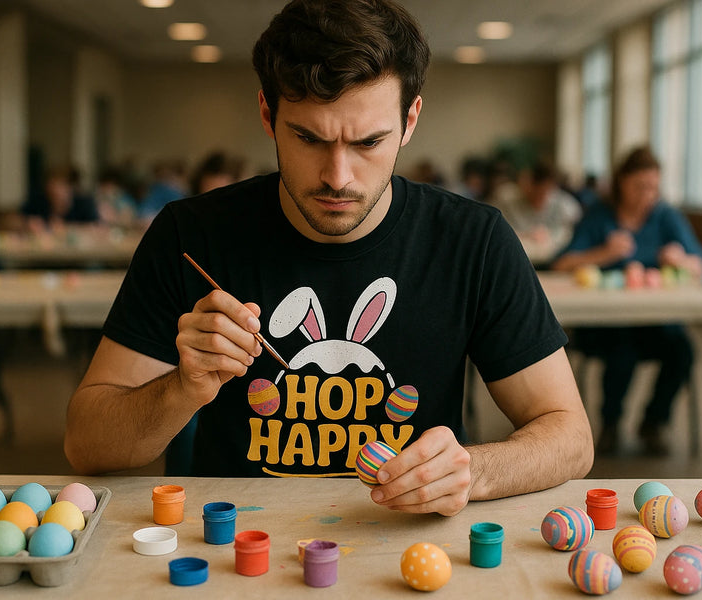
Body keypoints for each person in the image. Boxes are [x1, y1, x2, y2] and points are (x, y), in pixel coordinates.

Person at [65, 0, 593, 516]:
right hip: (235, 552)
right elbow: (86, 445)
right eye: (308, 138)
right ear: (268, 115)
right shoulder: (191, 234)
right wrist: (182, 389)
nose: (338, 176)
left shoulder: (471, 240)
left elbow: (570, 436)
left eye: (368, 142)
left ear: (410, 121)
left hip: (411, 550)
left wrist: (472, 471)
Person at [551, 146, 702, 456]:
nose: (647, 195)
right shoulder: (599, 216)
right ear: (620, 183)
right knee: (621, 352)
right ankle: (611, 423)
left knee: (683, 351)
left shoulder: (666, 217)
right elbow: (560, 264)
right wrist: (603, 254)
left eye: (653, 187)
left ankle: (653, 421)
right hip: (606, 324)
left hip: (655, 320)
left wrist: (683, 260)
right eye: (639, 186)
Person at [497, 159, 582, 262]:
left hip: (552, 258)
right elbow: (500, 233)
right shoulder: (508, 200)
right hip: (518, 258)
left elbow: (571, 231)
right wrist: (527, 234)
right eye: (538, 193)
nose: (542, 198)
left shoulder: (564, 204)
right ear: (528, 184)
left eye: (546, 193)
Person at [22, 166, 99, 232]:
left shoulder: (84, 203)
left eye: (60, 186)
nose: (55, 191)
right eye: (52, 186)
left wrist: (66, 228)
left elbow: (96, 226)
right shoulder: (39, 202)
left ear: (69, 187)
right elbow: (18, 219)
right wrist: (27, 224)